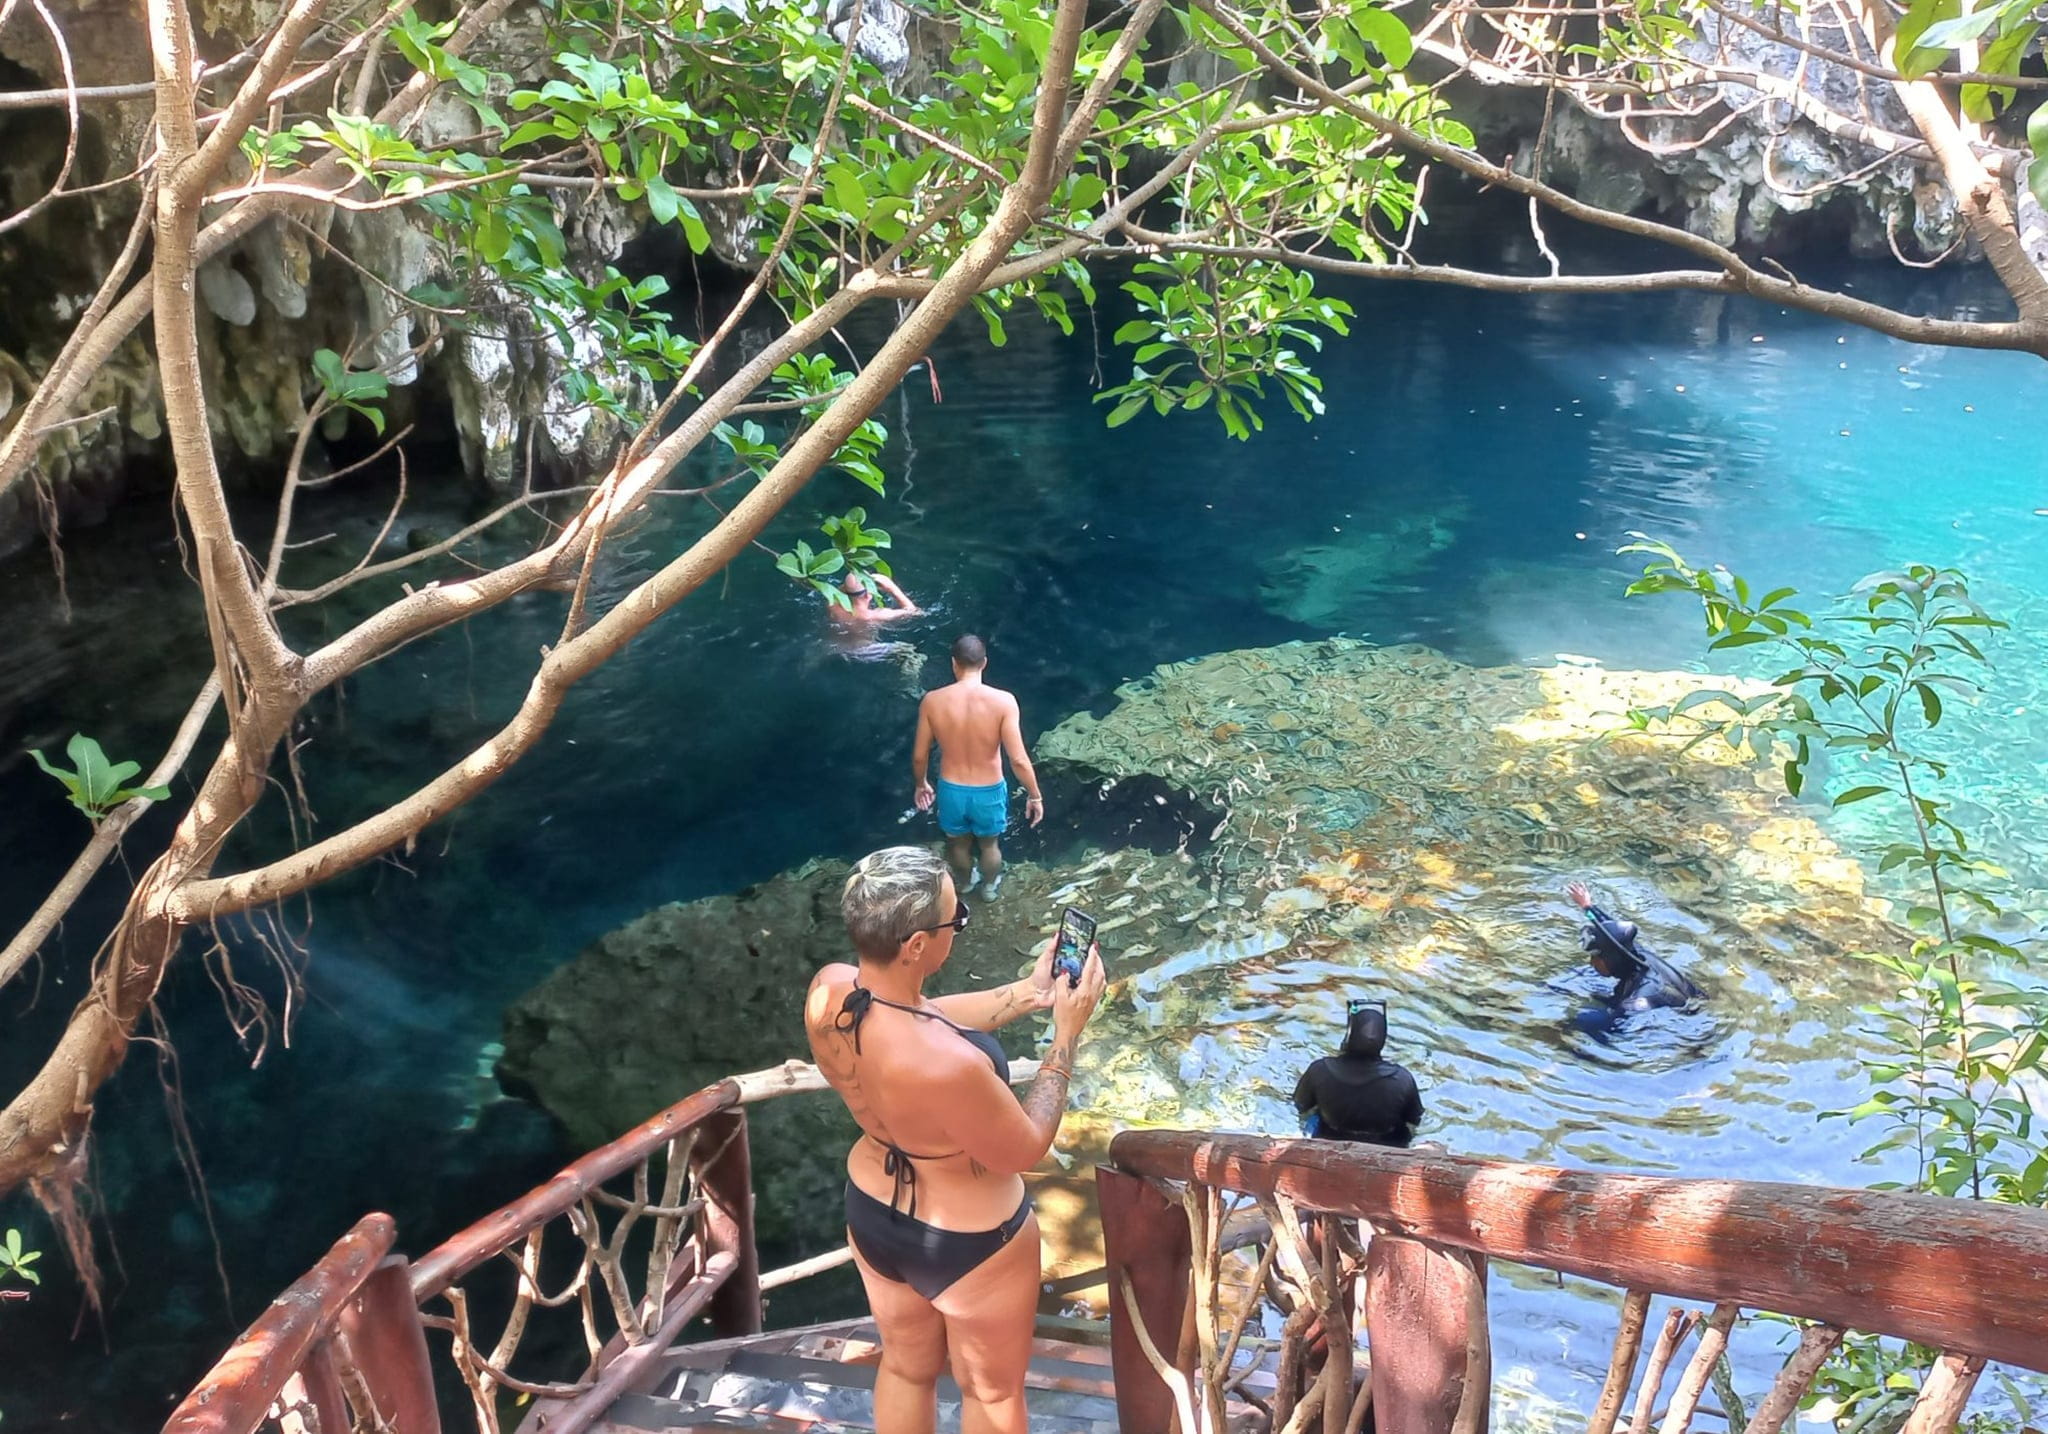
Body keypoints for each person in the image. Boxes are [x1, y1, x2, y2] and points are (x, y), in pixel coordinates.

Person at [806, 846, 1107, 1434]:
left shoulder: (832, 992)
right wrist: (1064, 1038)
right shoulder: (949, 1069)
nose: (960, 926)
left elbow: (914, 1014)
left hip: (873, 1209)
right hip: (970, 1242)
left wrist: (1026, 992)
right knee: (991, 1395)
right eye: (956, 919)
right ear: (917, 945)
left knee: (905, 1368)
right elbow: (1024, 1149)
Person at [913, 634, 1043, 898]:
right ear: (984, 663)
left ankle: (966, 882)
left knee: (958, 846)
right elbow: (1017, 759)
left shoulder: (932, 701)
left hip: (952, 789)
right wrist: (1035, 795)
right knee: (989, 846)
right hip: (989, 790)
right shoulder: (1004, 701)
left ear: (954, 663)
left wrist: (921, 784)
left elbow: (919, 755)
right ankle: (989, 888)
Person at [1566, 881, 1703, 1031]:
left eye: (1595, 957)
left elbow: (1616, 1028)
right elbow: (1611, 932)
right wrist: (1587, 906)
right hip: (1698, 1004)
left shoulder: (1636, 1002)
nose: (1591, 963)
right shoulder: (1636, 955)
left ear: (1611, 960)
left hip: (1691, 1031)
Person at [1292, 1002, 1424, 1147]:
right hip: (1388, 1146)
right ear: (1383, 1040)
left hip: (1330, 1141)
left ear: (1349, 1036)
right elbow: (1415, 1120)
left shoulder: (1319, 1070)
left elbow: (1300, 1106)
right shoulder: (1403, 1079)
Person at [827, 570, 922, 637]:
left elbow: (838, 593)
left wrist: (851, 584)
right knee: (908, 650)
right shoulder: (877, 615)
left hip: (842, 647)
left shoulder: (834, 607)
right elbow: (914, 611)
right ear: (869, 595)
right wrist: (891, 587)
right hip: (867, 651)